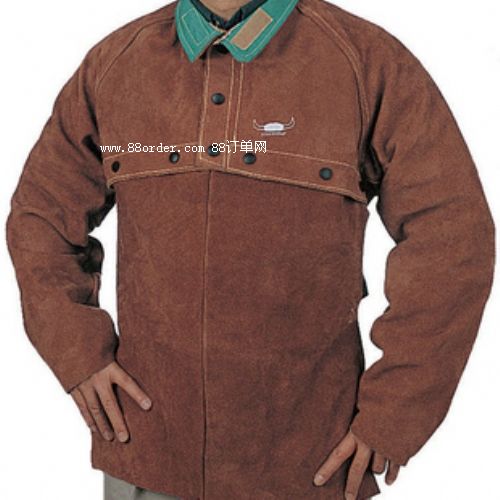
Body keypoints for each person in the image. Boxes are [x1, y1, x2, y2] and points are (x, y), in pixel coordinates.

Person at [6, 0, 495, 499]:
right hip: (147, 455)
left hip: (314, 466)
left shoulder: (368, 62)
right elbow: (40, 217)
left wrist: (395, 411)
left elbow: (453, 239)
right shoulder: (116, 64)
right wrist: (77, 351)